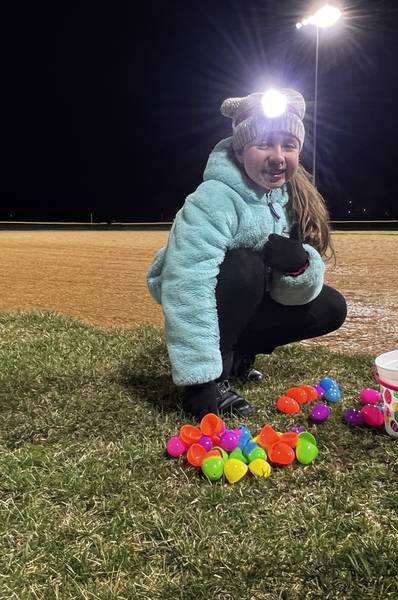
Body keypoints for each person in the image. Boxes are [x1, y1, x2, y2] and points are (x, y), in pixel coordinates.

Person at [146, 88, 347, 420]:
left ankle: (240, 355)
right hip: (204, 293)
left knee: (330, 307)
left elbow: (282, 291)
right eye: (264, 144)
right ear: (240, 152)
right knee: (244, 267)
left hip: (246, 298)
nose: (278, 156)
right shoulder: (213, 199)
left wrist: (299, 266)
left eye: (289, 145)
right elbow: (187, 286)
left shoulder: (287, 198)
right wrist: (201, 383)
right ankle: (218, 374)